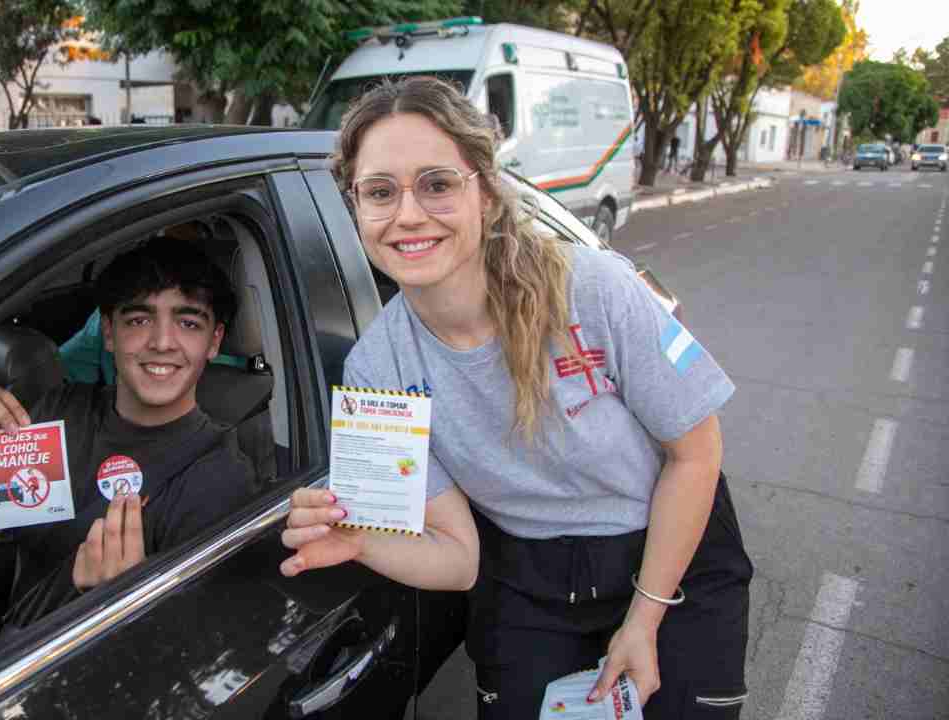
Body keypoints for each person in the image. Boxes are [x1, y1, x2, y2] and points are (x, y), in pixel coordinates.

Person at [280, 76, 752, 719]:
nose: (408, 214)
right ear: (356, 209)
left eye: (437, 184)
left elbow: (696, 454)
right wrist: (361, 542)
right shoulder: (375, 369)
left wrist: (643, 619)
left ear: (488, 194)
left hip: (669, 553)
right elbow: (457, 557)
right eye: (380, 192)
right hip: (526, 577)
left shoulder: (592, 289)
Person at [0, 237, 255, 690]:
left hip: (78, 682)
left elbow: (196, 670)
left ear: (214, 340)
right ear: (107, 332)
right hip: (4, 653)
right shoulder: (58, 412)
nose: (163, 342)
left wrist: (121, 608)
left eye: (189, 322)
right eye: (138, 319)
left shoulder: (220, 476)